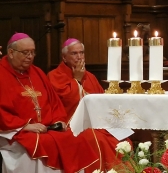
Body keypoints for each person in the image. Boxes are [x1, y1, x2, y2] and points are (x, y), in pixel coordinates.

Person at [0, 33, 99, 173]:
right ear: (11, 52)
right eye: (25, 52)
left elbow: (55, 102)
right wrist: (26, 126)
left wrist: (59, 120)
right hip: (16, 131)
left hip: (46, 129)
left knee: (74, 139)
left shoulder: (37, 72)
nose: (30, 56)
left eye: (32, 52)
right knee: (42, 144)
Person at [48, 38, 132, 172]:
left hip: (96, 123)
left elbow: (102, 101)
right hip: (72, 124)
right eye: (74, 53)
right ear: (64, 57)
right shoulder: (54, 76)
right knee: (99, 140)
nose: (79, 57)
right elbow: (67, 101)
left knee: (121, 138)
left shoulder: (90, 76)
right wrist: (77, 80)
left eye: (81, 53)